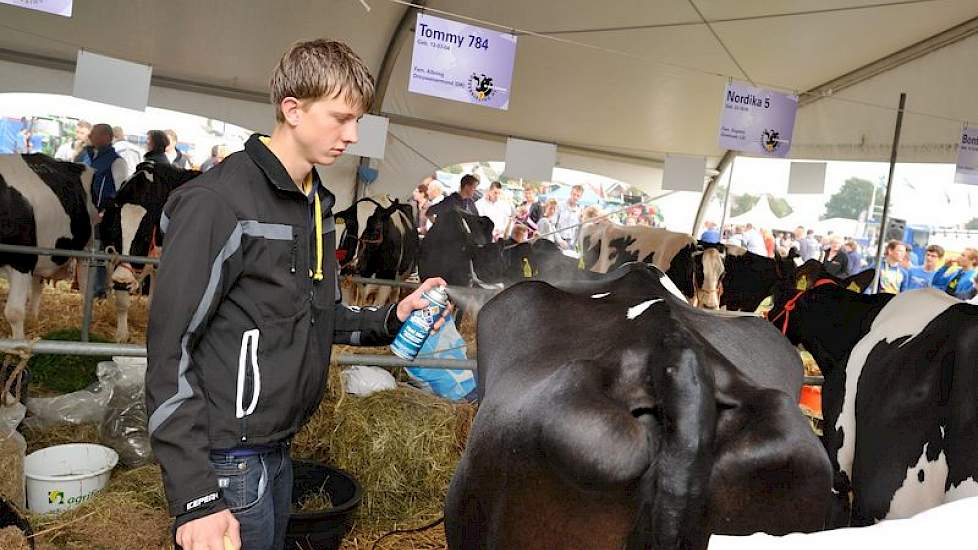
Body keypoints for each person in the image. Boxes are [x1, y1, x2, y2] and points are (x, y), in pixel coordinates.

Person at [145, 39, 449, 550]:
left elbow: (316, 313)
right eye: (341, 118)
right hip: (225, 459)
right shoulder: (218, 203)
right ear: (292, 109)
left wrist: (391, 318)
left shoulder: (314, 203)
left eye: (358, 121)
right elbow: (168, 348)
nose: (352, 135)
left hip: (277, 448)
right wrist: (195, 496)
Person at [555, 184, 584, 249]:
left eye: (578, 196)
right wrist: (560, 241)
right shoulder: (560, 205)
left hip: (570, 245)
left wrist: (574, 244)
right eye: (574, 194)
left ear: (580, 197)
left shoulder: (580, 211)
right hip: (557, 241)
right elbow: (553, 225)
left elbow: (578, 230)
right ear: (570, 193)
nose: (575, 197)